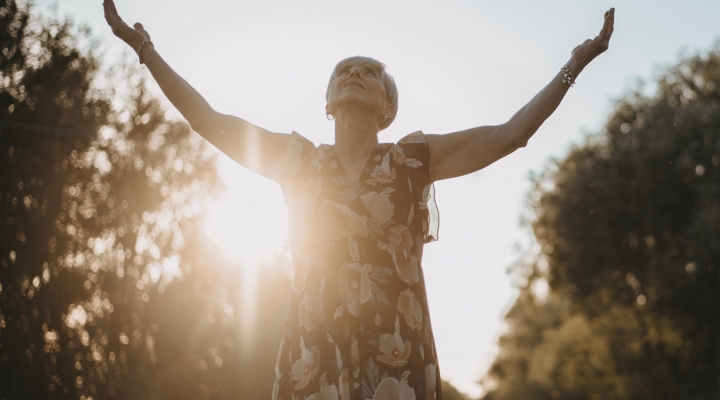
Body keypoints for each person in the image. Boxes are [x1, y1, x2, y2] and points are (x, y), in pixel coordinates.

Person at [103, 2, 615, 399]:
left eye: (368, 72)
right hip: (312, 350)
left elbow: (511, 133)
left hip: (397, 353)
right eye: (343, 70)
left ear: (387, 107)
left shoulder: (414, 159)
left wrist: (574, 65)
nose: (354, 73)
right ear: (327, 103)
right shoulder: (297, 159)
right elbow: (210, 121)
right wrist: (146, 50)